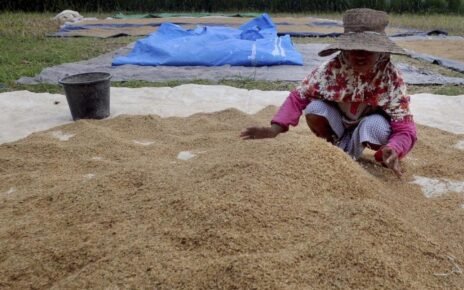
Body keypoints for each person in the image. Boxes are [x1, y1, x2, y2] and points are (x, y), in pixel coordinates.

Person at [240, 8, 417, 178]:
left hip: (369, 127)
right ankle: (333, 147)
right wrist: (274, 129)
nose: (360, 55)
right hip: (339, 121)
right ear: (344, 49)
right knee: (315, 108)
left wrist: (394, 148)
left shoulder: (391, 78)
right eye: (353, 48)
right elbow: (299, 96)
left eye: (369, 49)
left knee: (374, 125)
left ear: (381, 51)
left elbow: (405, 127)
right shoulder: (330, 70)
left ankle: (363, 151)